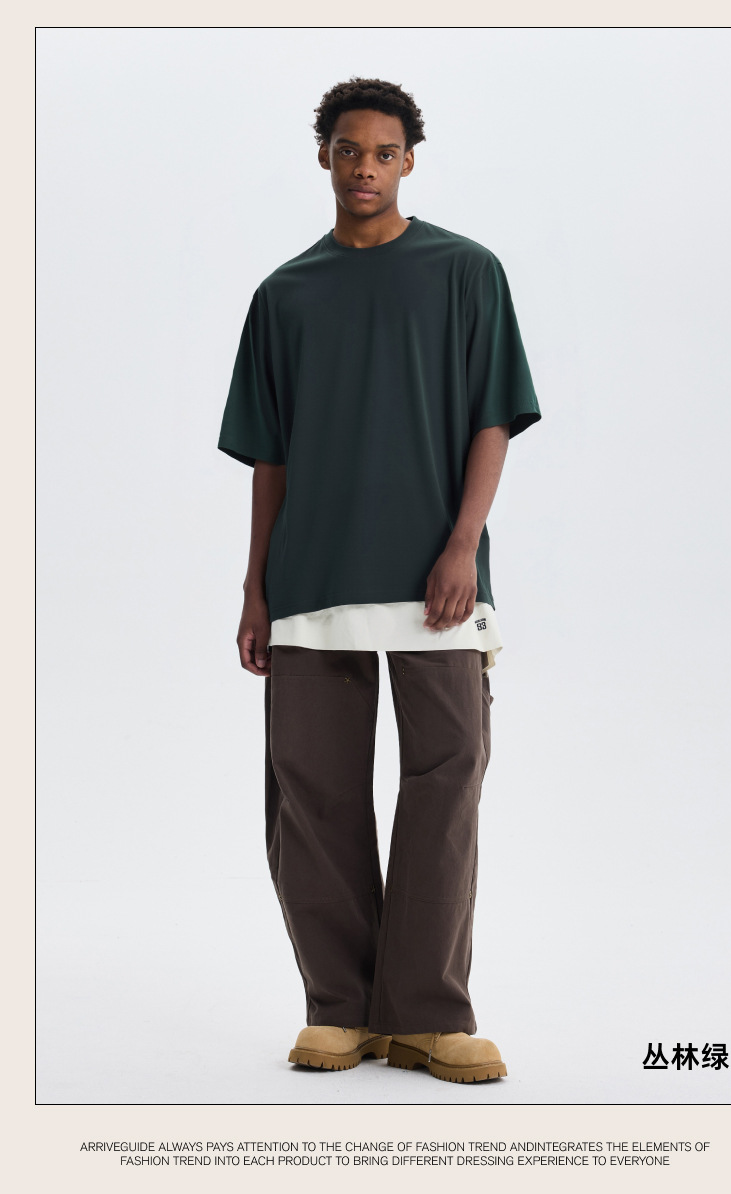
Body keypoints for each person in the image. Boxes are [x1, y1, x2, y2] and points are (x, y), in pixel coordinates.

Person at [218, 76, 541, 1084]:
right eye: (349, 150)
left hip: (435, 578)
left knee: (447, 779)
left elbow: (492, 419)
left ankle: (428, 1015)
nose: (365, 167)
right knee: (312, 792)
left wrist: (462, 544)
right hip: (312, 577)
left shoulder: (466, 272)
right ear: (324, 156)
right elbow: (270, 458)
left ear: (409, 161)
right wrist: (255, 588)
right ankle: (340, 1009)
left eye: (384, 152)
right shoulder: (283, 295)